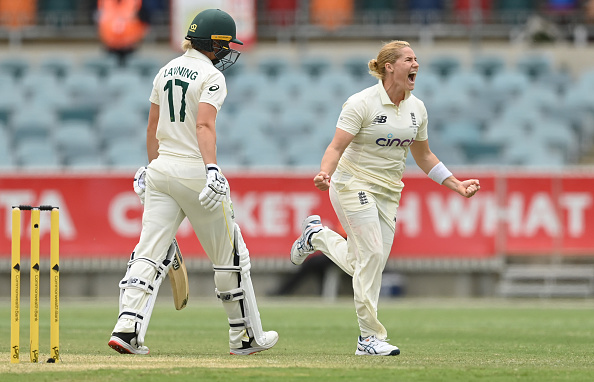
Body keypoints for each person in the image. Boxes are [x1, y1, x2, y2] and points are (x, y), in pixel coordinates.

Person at [290, 40, 480, 356]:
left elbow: (425, 156)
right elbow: (335, 147)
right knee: (373, 257)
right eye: (409, 59)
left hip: (389, 192)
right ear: (389, 66)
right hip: (352, 183)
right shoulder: (361, 103)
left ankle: (317, 236)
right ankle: (369, 338)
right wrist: (325, 173)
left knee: (366, 263)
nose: (416, 64)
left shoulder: (417, 108)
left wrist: (456, 185)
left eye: (417, 59)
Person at [108, 8, 278, 356]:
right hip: (194, 173)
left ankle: (127, 329)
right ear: (214, 44)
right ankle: (244, 337)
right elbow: (203, 125)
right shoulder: (211, 75)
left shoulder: (166, 69)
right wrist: (212, 168)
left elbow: (152, 127)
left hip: (161, 171)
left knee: (148, 252)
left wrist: (151, 167)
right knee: (230, 256)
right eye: (225, 44)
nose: (228, 50)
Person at [97, 0, 150, 67]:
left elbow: (146, 21)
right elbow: (97, 18)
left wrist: (139, 37)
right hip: (109, 46)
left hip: (130, 47)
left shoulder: (136, 2)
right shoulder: (104, 2)